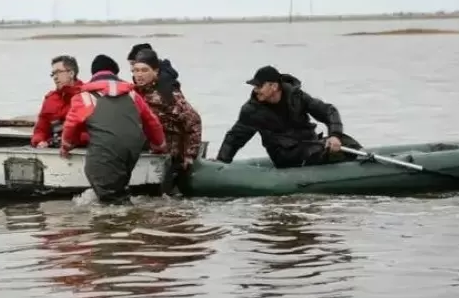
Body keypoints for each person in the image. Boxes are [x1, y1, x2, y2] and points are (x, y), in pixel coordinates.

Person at [60, 55, 167, 204]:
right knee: (118, 189)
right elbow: (152, 122)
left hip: (105, 151)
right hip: (132, 151)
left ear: (93, 75)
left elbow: (71, 125)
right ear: (116, 75)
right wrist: (159, 146)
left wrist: (66, 145)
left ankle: (120, 223)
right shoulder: (132, 95)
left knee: (111, 200)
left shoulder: (85, 97)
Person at [214, 65, 363, 167]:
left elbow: (328, 111)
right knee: (316, 152)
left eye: (259, 86)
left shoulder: (296, 96)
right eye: (255, 86)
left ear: (273, 86)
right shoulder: (252, 110)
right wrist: (221, 162)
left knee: (349, 143)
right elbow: (234, 139)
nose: (256, 90)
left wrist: (335, 135)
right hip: (285, 154)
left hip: (309, 143)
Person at [130, 47, 203, 193]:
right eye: (136, 70)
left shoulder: (168, 95)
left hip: (169, 156)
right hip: (145, 153)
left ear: (155, 71)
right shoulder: (133, 93)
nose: (139, 75)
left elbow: (194, 121)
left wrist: (189, 155)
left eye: (144, 70)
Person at [31, 55, 85, 148]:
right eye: (53, 74)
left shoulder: (87, 95)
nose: (55, 77)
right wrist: (39, 141)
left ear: (71, 73)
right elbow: (40, 130)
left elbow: (94, 132)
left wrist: (72, 140)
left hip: (80, 151)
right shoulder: (50, 99)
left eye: (58, 72)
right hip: (53, 150)